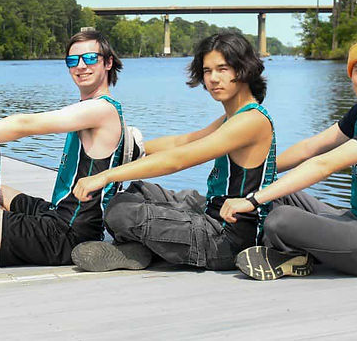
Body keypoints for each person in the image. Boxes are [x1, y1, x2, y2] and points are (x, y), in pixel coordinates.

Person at [221, 32, 357, 280]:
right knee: (277, 192)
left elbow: (324, 164)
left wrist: (252, 200)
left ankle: (293, 255)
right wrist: (257, 172)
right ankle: (293, 252)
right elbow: (311, 148)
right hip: (356, 222)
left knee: (280, 219)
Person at [70, 31, 277, 272]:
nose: (213, 79)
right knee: (137, 191)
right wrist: (123, 147)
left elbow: (178, 159)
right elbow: (183, 142)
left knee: (120, 213)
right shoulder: (233, 117)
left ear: (244, 69)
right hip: (213, 210)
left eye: (223, 69)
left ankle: (141, 250)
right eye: (208, 71)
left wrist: (106, 175)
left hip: (229, 240)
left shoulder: (251, 121)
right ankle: (147, 248)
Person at [0, 30, 125, 266]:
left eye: (90, 58)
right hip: (57, 212)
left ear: (108, 62)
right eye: (73, 61)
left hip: (70, 235)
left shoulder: (101, 109)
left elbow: (24, 124)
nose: (81, 66)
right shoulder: (92, 108)